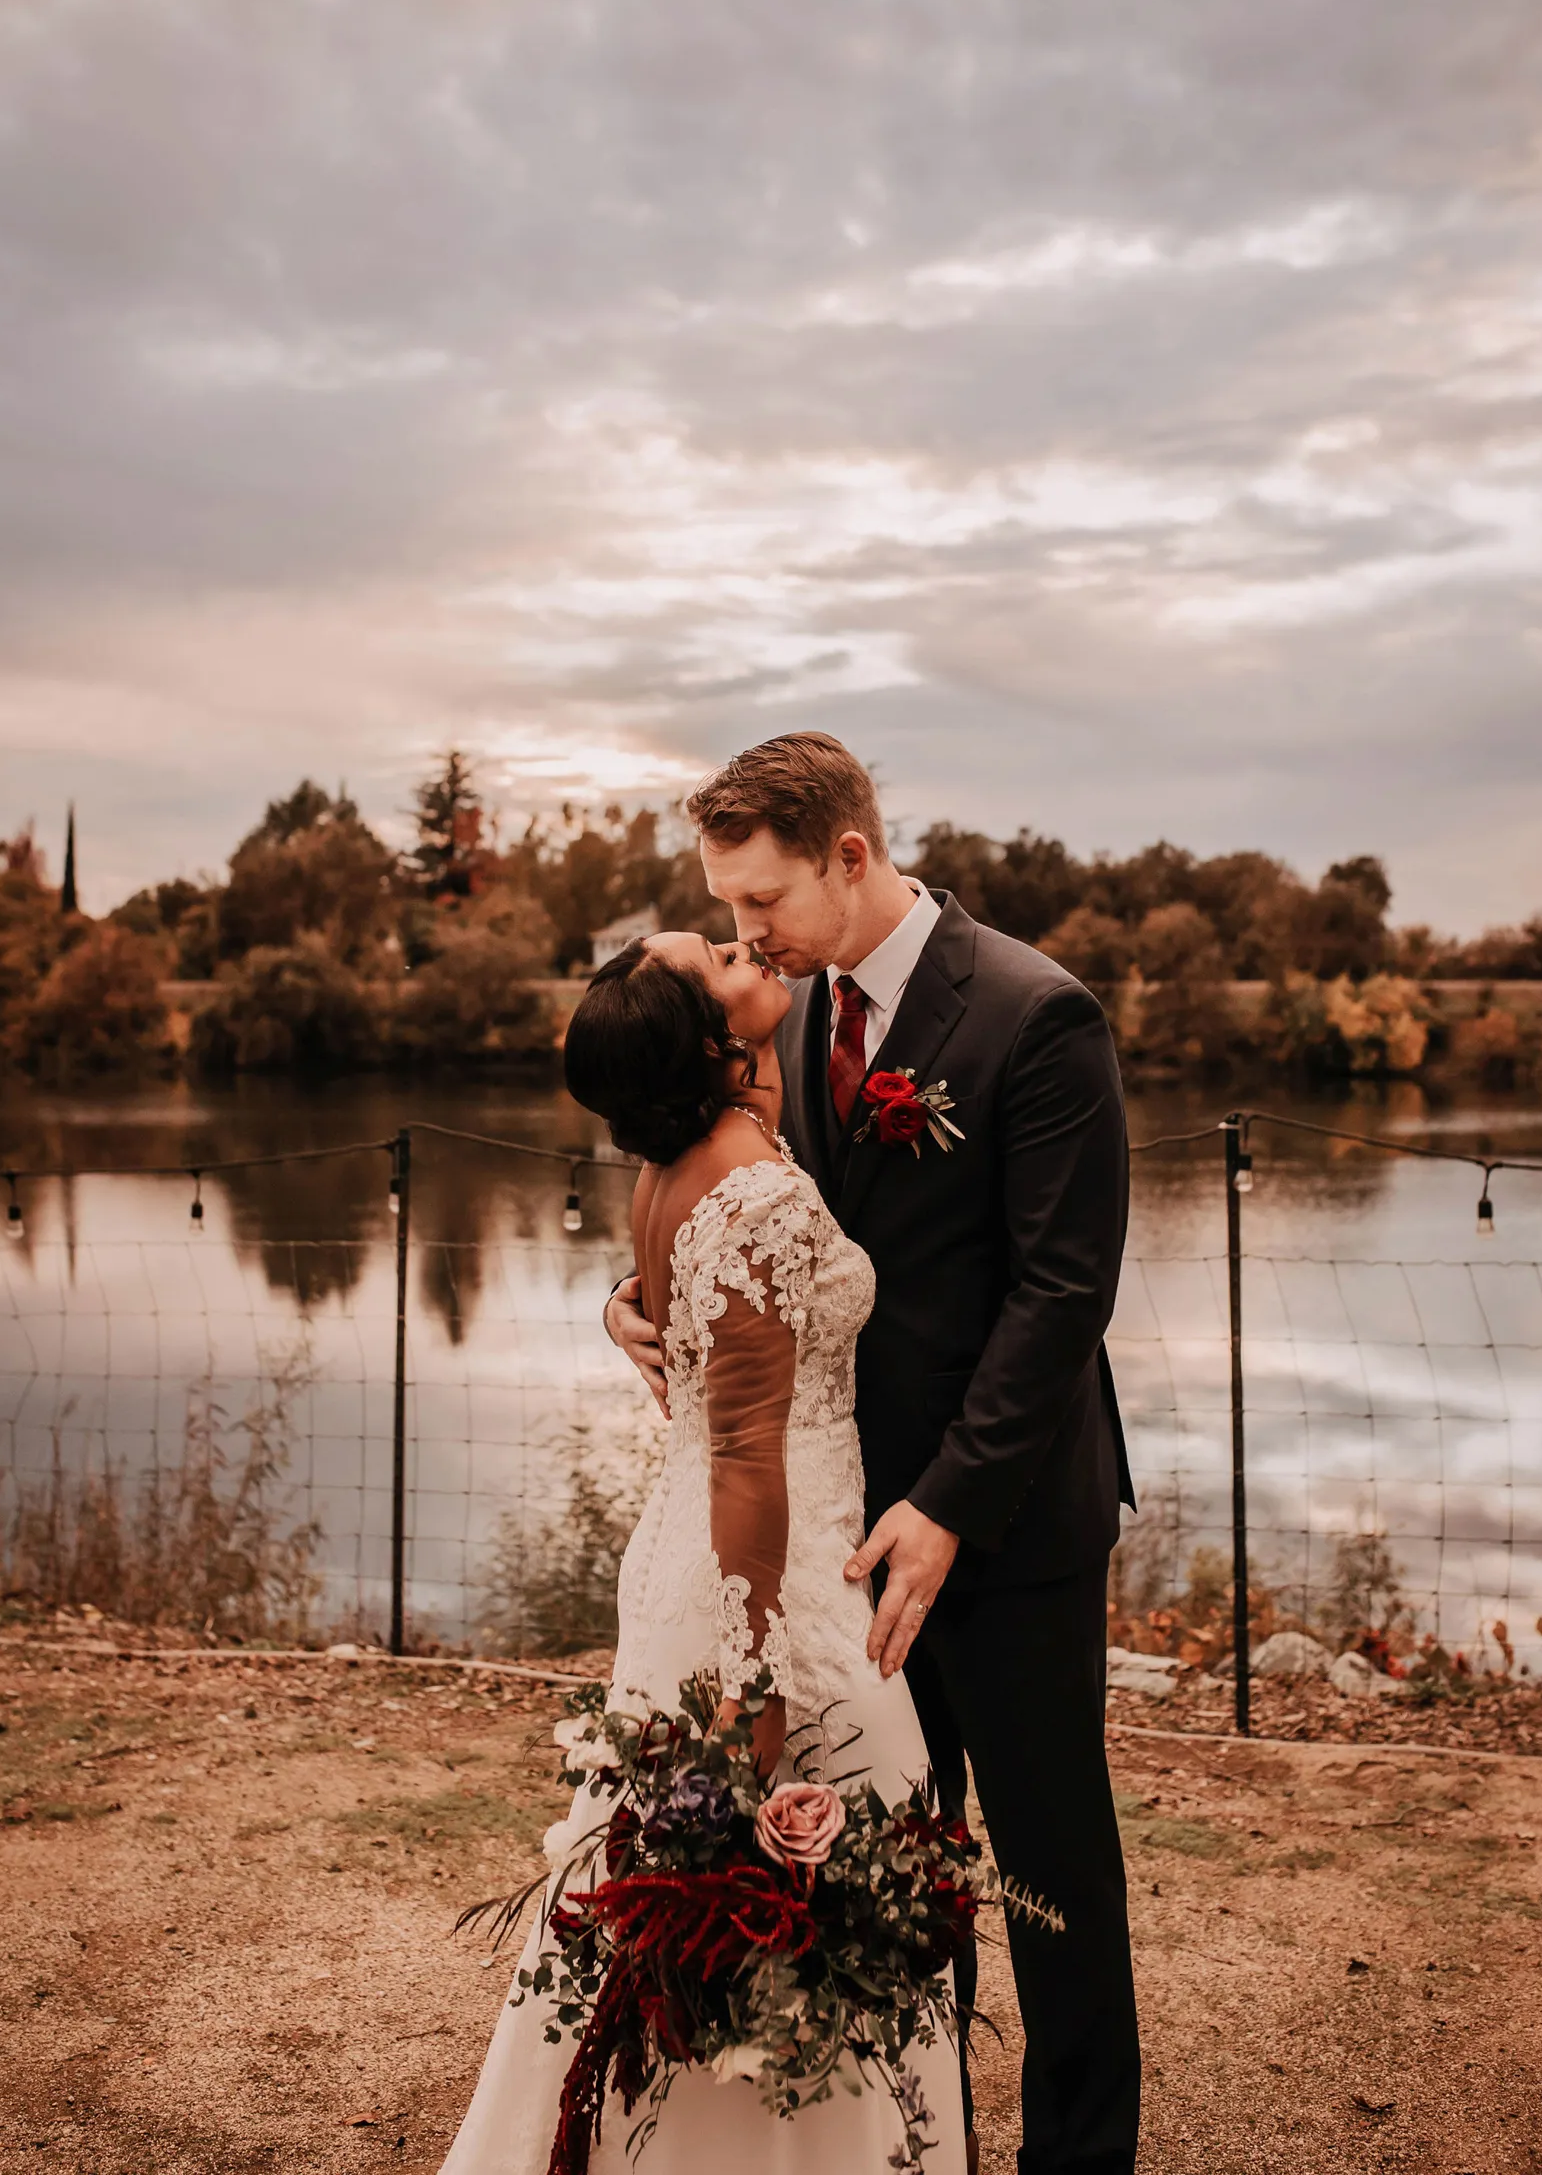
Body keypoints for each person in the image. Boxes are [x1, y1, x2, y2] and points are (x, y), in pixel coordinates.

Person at [606, 733, 1140, 2175]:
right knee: (904, 1871)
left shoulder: (1040, 1015)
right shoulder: (771, 1016)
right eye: (725, 908)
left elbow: (1061, 1295)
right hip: (837, 1536)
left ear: (852, 853)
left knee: (1050, 1873)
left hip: (1007, 1524)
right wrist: (634, 1302)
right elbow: (728, 1203)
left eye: (762, 900)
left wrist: (952, 1504)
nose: (742, 934)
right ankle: (929, 2149)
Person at [439, 924, 966, 2175]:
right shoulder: (756, 1192)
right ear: (713, 1040)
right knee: (794, 1863)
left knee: (707, 1877)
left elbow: (681, 1324)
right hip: (769, 1574)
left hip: (718, 1547)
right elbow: (739, 1448)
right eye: (716, 955)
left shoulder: (680, 1162)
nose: (742, 942)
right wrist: (753, 1684)